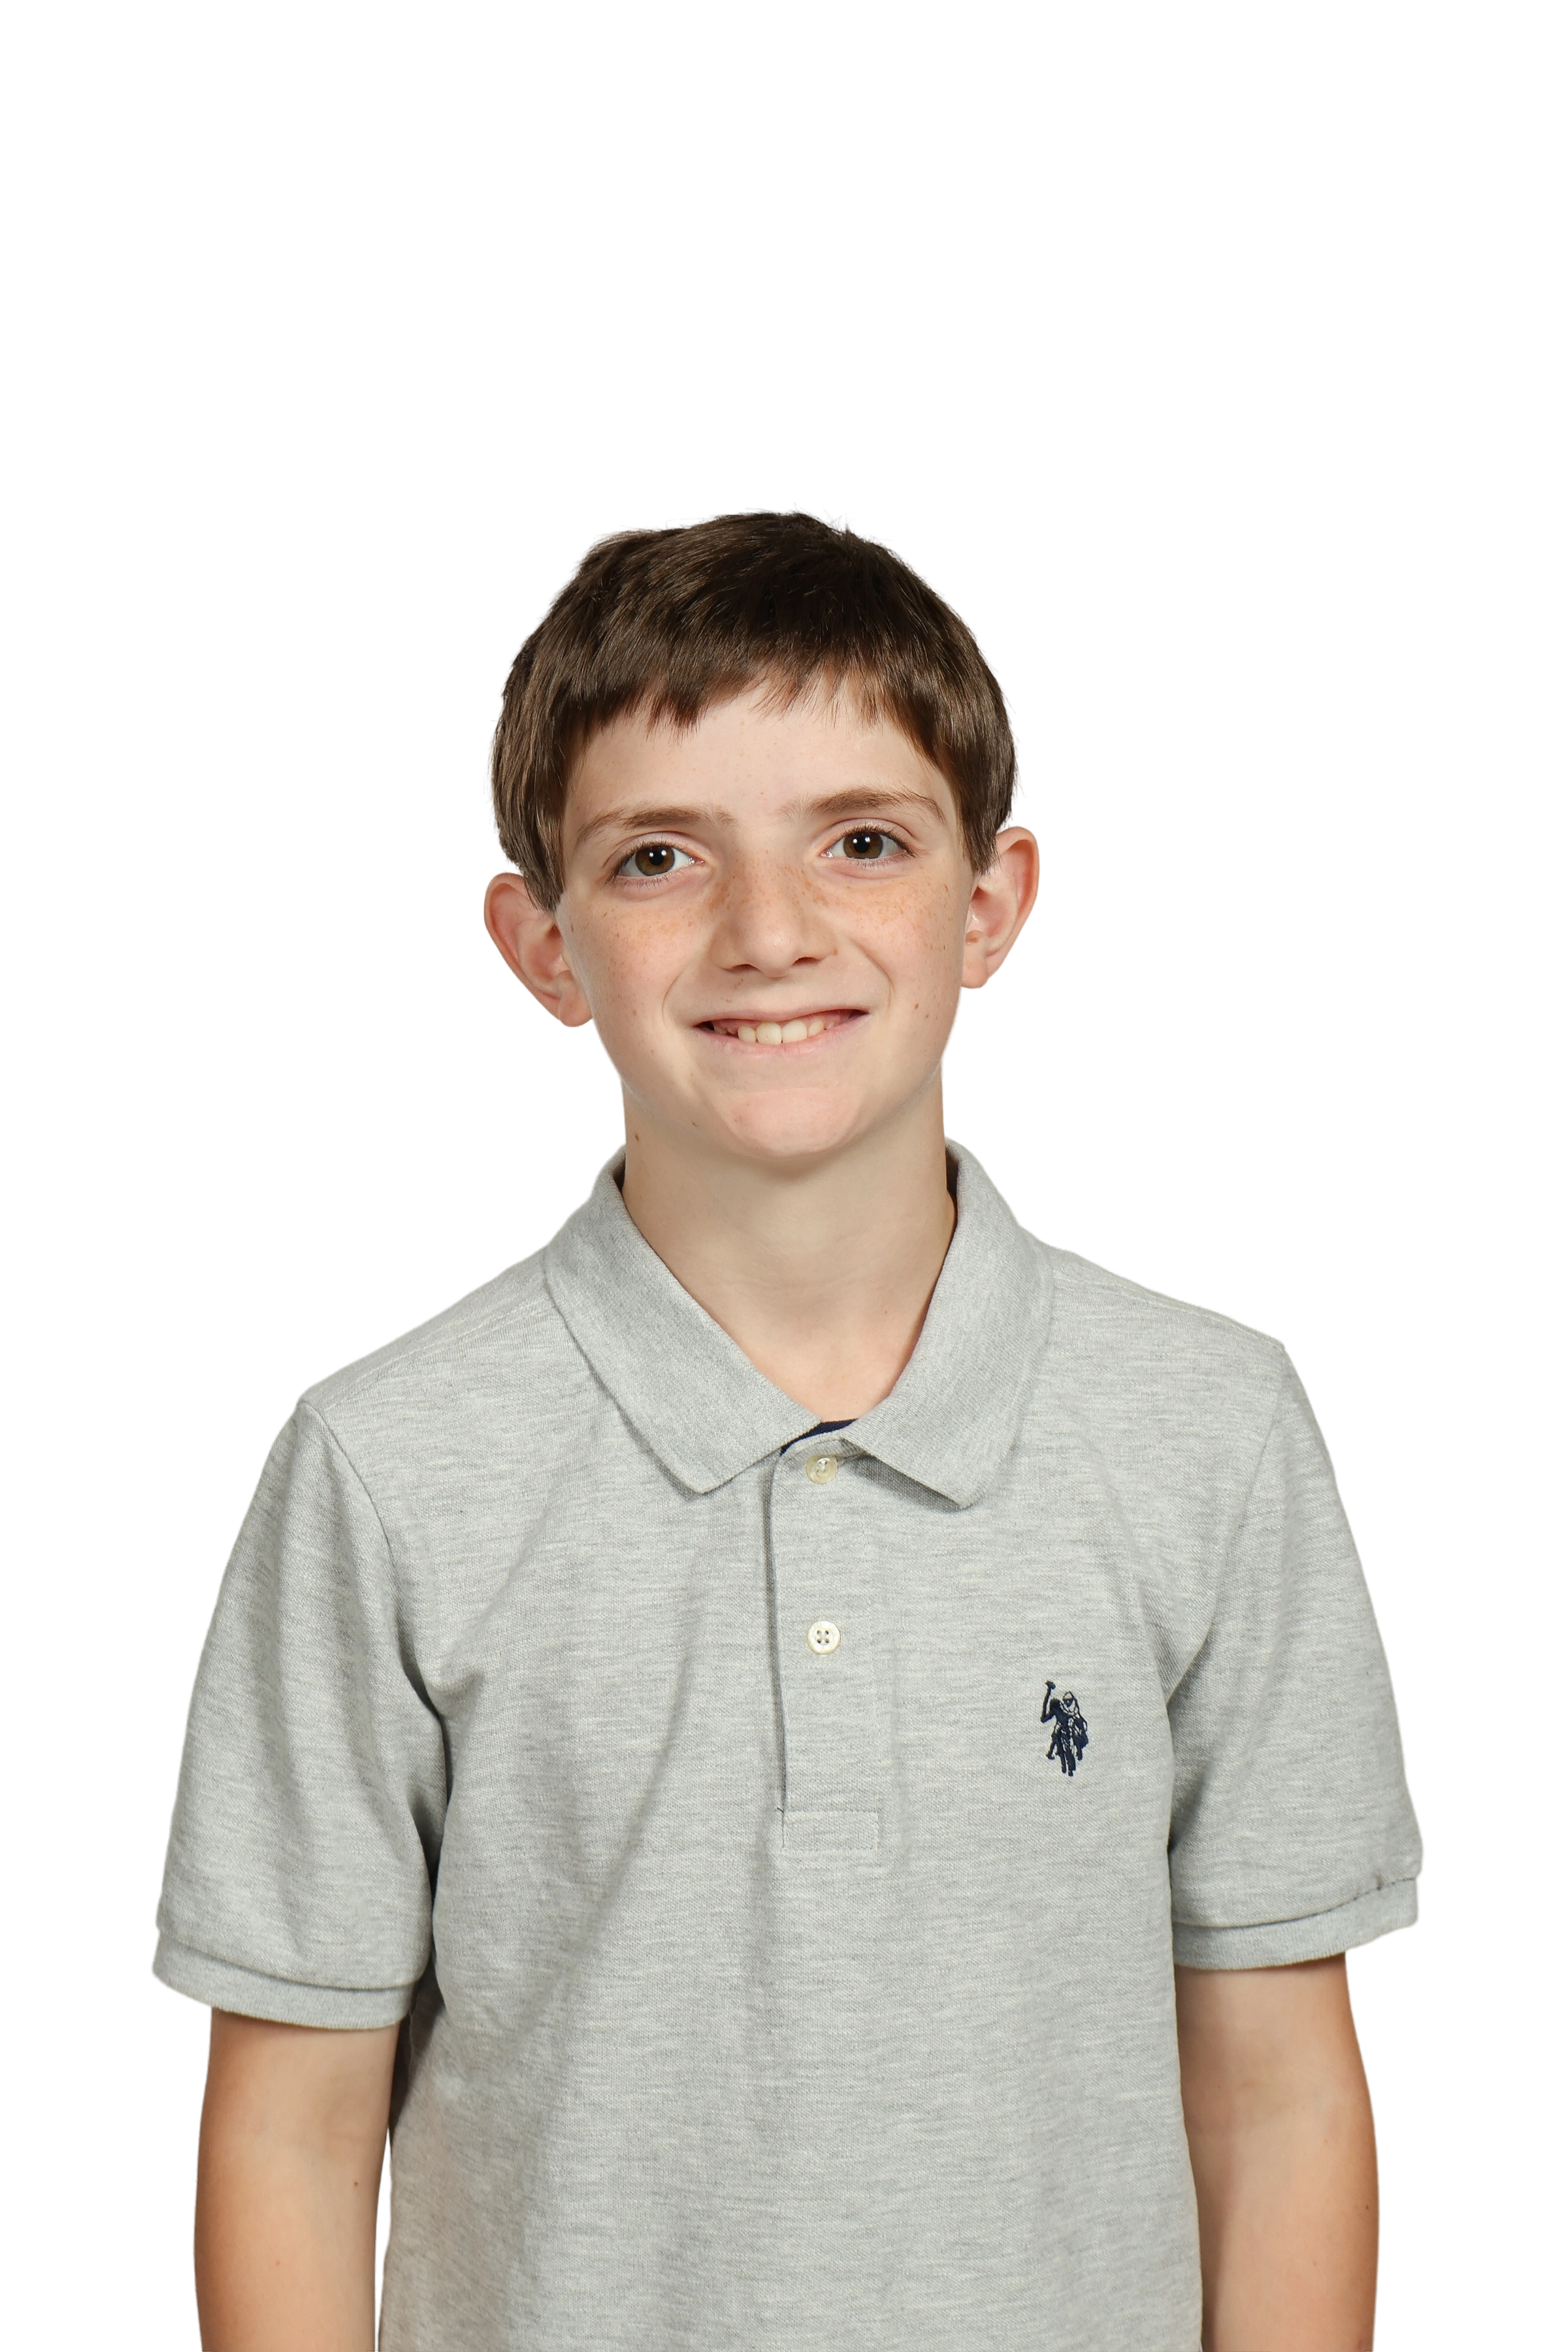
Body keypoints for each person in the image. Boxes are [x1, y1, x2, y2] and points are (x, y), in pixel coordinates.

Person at [150, 504, 1424, 2352]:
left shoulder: (1209, 1429)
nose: (769, 933)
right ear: (542, 944)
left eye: (862, 842)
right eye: (660, 856)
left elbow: (1280, 2096)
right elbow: (291, 2133)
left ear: (992, 902)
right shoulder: (388, 1466)